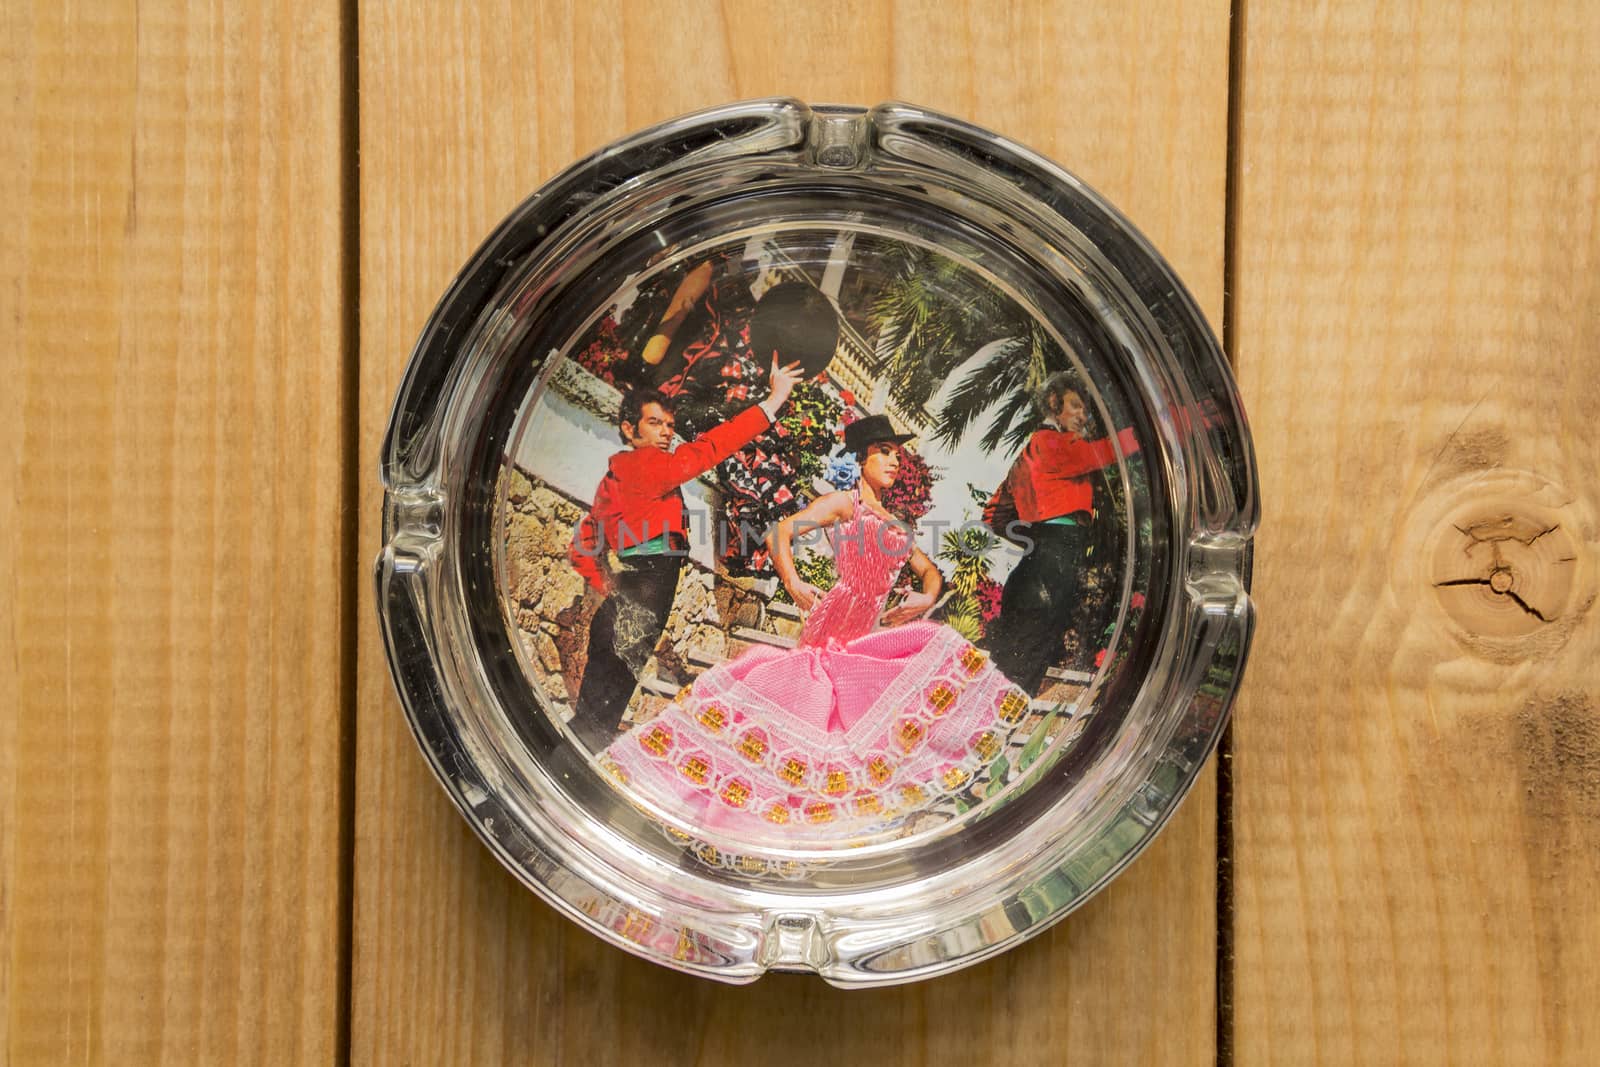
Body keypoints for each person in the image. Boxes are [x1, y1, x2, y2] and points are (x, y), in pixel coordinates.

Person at [599, 414, 1033, 838]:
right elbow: (781, 532)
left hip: (870, 634)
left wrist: (926, 595)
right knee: (811, 718)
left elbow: (929, 571)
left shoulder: (898, 524)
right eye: (884, 452)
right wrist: (793, 581)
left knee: (895, 687)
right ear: (862, 459)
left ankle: (834, 809)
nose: (895, 461)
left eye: (897, 455)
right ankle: (756, 800)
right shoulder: (848, 503)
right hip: (837, 622)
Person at [569, 356, 805, 750]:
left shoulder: (613, 479)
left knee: (591, 723)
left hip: (624, 608)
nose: (665, 434)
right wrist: (774, 400)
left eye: (669, 426)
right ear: (630, 429)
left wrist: (608, 584)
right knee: (595, 733)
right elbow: (716, 444)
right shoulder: (651, 465)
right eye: (654, 423)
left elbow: (582, 547)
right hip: (641, 607)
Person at [984, 373, 1141, 694]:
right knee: (1022, 671)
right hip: (1052, 570)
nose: (1083, 417)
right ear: (1055, 407)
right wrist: (1158, 429)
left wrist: (1037, 539)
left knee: (1015, 666)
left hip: (1036, 567)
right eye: (1075, 407)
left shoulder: (1028, 454)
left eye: (1085, 410)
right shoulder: (1054, 444)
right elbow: (1108, 451)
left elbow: (994, 515)